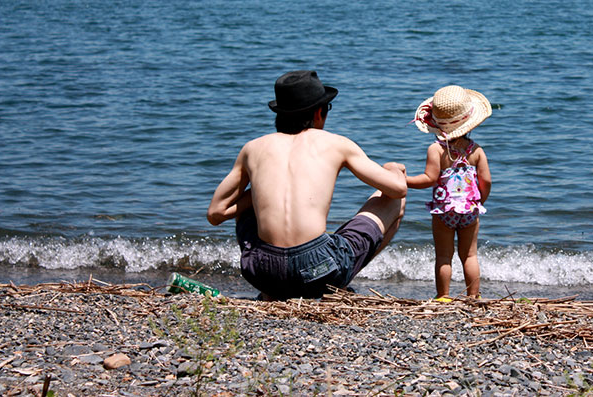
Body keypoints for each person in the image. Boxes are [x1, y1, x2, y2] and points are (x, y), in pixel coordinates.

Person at [207, 70, 407, 300]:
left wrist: (258, 194)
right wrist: (394, 169)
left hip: (262, 272)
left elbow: (216, 213)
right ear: (319, 113)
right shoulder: (336, 143)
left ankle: (273, 292)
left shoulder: (253, 148)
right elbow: (397, 189)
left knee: (249, 210)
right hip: (320, 272)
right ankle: (337, 286)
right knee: (395, 201)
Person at [406, 85, 492, 300]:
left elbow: (429, 179)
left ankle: (443, 296)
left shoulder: (436, 150)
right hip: (470, 210)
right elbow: (487, 180)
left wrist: (404, 180)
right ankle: (474, 296)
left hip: (444, 211)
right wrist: (479, 200)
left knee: (444, 256)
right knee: (470, 255)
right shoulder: (476, 151)